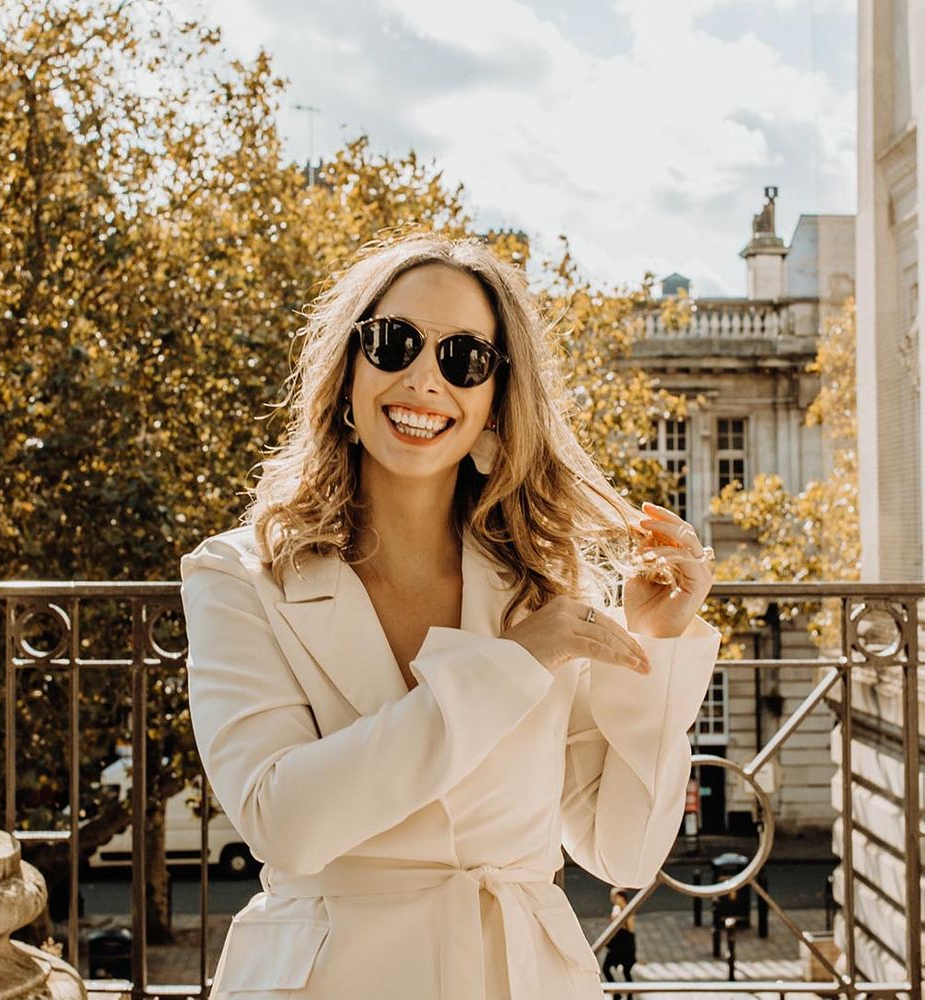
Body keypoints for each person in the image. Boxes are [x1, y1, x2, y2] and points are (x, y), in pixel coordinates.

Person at [180, 233, 721, 1000]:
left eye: (464, 357)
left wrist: (656, 645)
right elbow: (285, 824)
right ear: (347, 371)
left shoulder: (543, 583)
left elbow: (623, 852)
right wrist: (510, 665)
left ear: (495, 401)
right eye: (393, 343)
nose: (424, 379)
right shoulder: (239, 576)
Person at [602, 888, 637, 1000]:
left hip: (625, 944)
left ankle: (629, 995)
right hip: (616, 945)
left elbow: (630, 929)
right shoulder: (616, 908)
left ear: (622, 898)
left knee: (626, 971)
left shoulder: (629, 911)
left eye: (615, 896)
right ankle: (616, 993)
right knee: (606, 967)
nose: (612, 899)